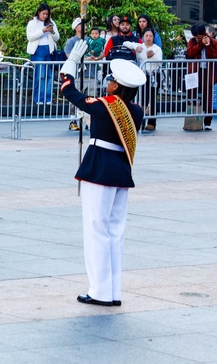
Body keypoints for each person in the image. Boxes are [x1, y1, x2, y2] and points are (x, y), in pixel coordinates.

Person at [58, 44, 145, 307]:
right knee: (115, 232)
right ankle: (113, 291)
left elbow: (69, 91)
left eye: (110, 81)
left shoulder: (106, 106)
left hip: (99, 170)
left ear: (117, 88)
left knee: (96, 230)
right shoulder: (136, 110)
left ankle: (99, 291)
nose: (107, 84)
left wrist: (72, 61)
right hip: (120, 171)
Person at [185, 24, 217, 131]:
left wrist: (208, 45)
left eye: (199, 36)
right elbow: (190, 53)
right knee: (192, 94)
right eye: (195, 36)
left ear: (203, 33)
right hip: (195, 71)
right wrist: (201, 44)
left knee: (208, 96)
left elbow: (216, 56)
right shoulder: (192, 41)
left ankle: (208, 121)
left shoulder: (213, 42)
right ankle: (192, 119)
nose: (197, 38)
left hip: (208, 72)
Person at [25, 4, 60, 106]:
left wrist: (52, 31)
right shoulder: (32, 23)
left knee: (50, 75)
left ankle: (48, 98)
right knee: (40, 75)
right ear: (39, 12)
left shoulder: (51, 22)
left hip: (49, 50)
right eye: (43, 13)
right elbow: (30, 37)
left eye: (47, 14)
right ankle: (39, 99)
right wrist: (42, 31)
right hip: (38, 50)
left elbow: (57, 38)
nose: (45, 16)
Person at [127, 29, 162, 131]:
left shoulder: (157, 49)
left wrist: (153, 55)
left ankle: (152, 122)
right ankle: (140, 121)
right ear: (143, 37)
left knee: (153, 98)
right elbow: (126, 43)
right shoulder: (140, 47)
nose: (148, 38)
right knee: (142, 99)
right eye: (146, 36)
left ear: (153, 37)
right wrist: (135, 47)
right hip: (142, 75)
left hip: (154, 75)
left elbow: (160, 62)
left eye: (150, 36)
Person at [65, 19, 86, 131]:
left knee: (89, 97)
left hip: (89, 73)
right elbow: (69, 55)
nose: (85, 26)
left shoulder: (90, 40)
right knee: (75, 98)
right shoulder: (71, 41)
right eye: (81, 25)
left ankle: (86, 120)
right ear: (75, 28)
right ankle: (73, 120)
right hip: (77, 73)